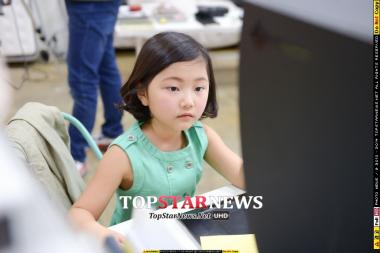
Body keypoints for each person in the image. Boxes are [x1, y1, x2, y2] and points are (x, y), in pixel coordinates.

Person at [68, 32, 245, 246]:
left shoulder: (201, 135)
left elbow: (241, 175)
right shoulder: (122, 155)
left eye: (199, 88)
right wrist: (104, 235)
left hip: (181, 237)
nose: (188, 101)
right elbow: (79, 214)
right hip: (138, 244)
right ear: (143, 93)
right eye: (173, 88)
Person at [65, 0, 124, 174]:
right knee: (106, 66)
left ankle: (76, 156)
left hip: (88, 5)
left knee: (83, 77)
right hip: (105, 4)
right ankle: (112, 131)